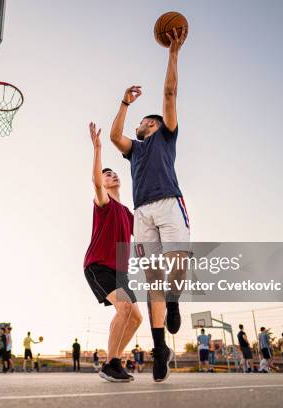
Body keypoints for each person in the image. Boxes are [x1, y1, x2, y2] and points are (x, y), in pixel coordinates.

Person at [109, 26, 189, 383]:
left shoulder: (165, 137)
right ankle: (161, 350)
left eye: (143, 120)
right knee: (152, 278)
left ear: (154, 125)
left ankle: (174, 301)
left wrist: (173, 53)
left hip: (169, 204)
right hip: (142, 213)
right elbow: (114, 137)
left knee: (177, 265)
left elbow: (170, 93)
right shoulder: (135, 151)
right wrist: (125, 103)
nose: (138, 125)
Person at [84, 123, 143, 383]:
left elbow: (144, 237)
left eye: (114, 173)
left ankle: (114, 362)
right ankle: (110, 363)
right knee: (124, 309)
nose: (111, 176)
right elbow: (96, 182)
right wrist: (98, 149)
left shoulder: (128, 214)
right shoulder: (104, 202)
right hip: (98, 266)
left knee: (136, 318)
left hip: (120, 270)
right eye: (108, 174)